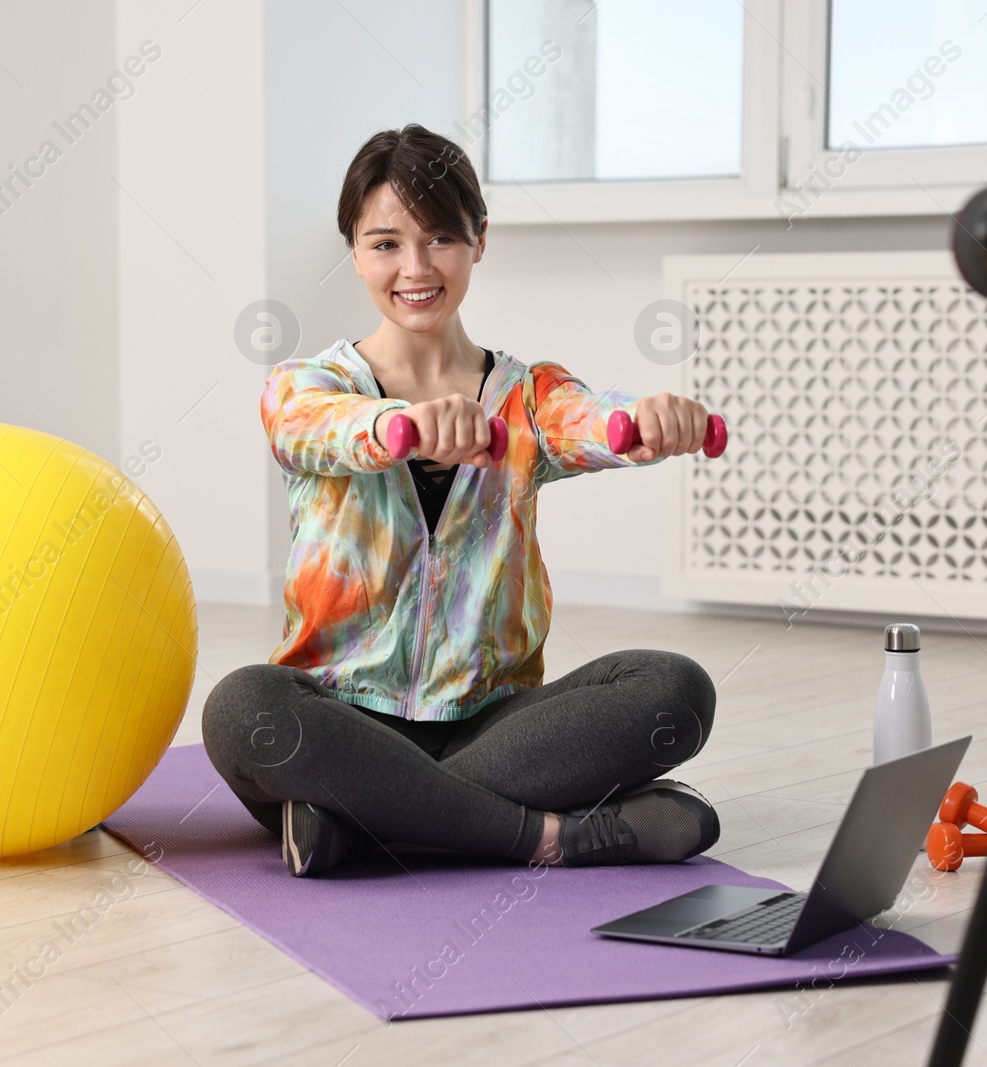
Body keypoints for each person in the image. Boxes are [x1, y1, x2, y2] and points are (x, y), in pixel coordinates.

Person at [204, 123, 721, 877]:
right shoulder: (308, 385)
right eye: (385, 243)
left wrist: (645, 423)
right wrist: (404, 425)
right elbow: (320, 431)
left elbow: (590, 420)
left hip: (495, 727)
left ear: (479, 238)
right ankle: (550, 837)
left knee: (675, 688)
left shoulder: (528, 395)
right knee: (242, 708)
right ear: (353, 249)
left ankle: (366, 823)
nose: (414, 267)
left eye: (440, 237)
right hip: (339, 718)